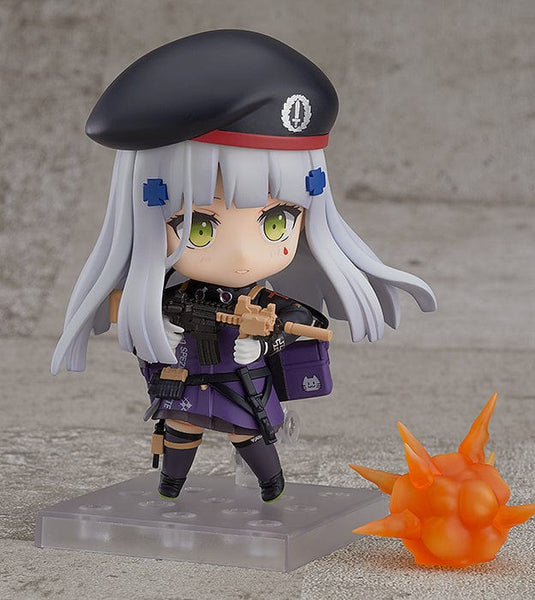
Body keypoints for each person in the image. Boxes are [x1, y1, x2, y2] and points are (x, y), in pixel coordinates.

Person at [51, 30, 436, 502]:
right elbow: (129, 308)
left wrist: (265, 343)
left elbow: (306, 322)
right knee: (181, 427)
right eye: (199, 228)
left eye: (277, 222)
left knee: (247, 432)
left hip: (241, 380)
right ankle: (170, 487)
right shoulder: (177, 294)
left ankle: (272, 488)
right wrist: (155, 325)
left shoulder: (261, 300)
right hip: (187, 375)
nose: (241, 256)